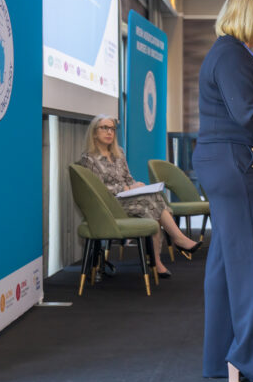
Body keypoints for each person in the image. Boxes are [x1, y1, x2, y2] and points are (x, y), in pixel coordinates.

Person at [192, 0, 253, 382]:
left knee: (228, 263)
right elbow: (247, 113)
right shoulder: (230, 54)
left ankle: (224, 358)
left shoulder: (232, 52)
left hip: (229, 163)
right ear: (249, 15)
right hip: (237, 166)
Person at [78, 115, 201, 279]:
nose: (109, 132)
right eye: (104, 128)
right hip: (108, 206)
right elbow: (98, 189)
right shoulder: (88, 159)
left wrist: (137, 185)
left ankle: (161, 256)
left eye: (112, 128)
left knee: (153, 198)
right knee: (150, 202)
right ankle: (174, 243)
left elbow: (128, 178)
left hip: (126, 200)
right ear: (94, 133)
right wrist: (128, 188)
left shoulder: (118, 153)